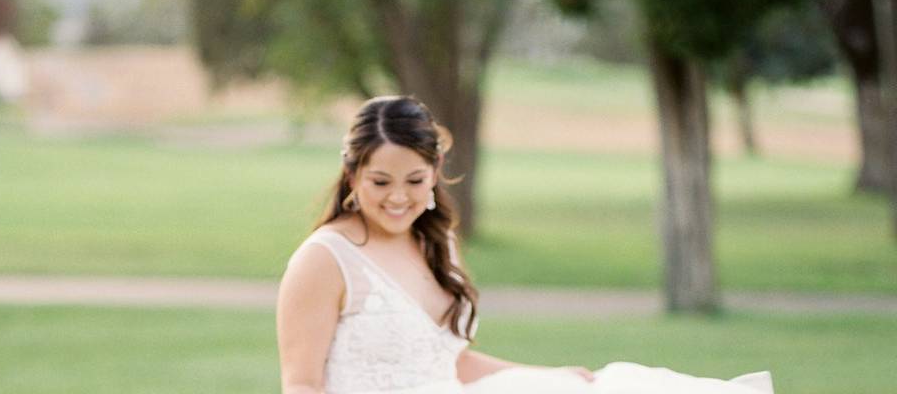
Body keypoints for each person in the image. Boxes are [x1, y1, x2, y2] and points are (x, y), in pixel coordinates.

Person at [276, 95, 774, 394]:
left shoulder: (437, 243)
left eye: (414, 180)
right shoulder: (325, 260)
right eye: (380, 182)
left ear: (435, 174)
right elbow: (301, 383)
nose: (399, 198)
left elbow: (448, 361)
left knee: (612, 387)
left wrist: (547, 375)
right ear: (351, 174)